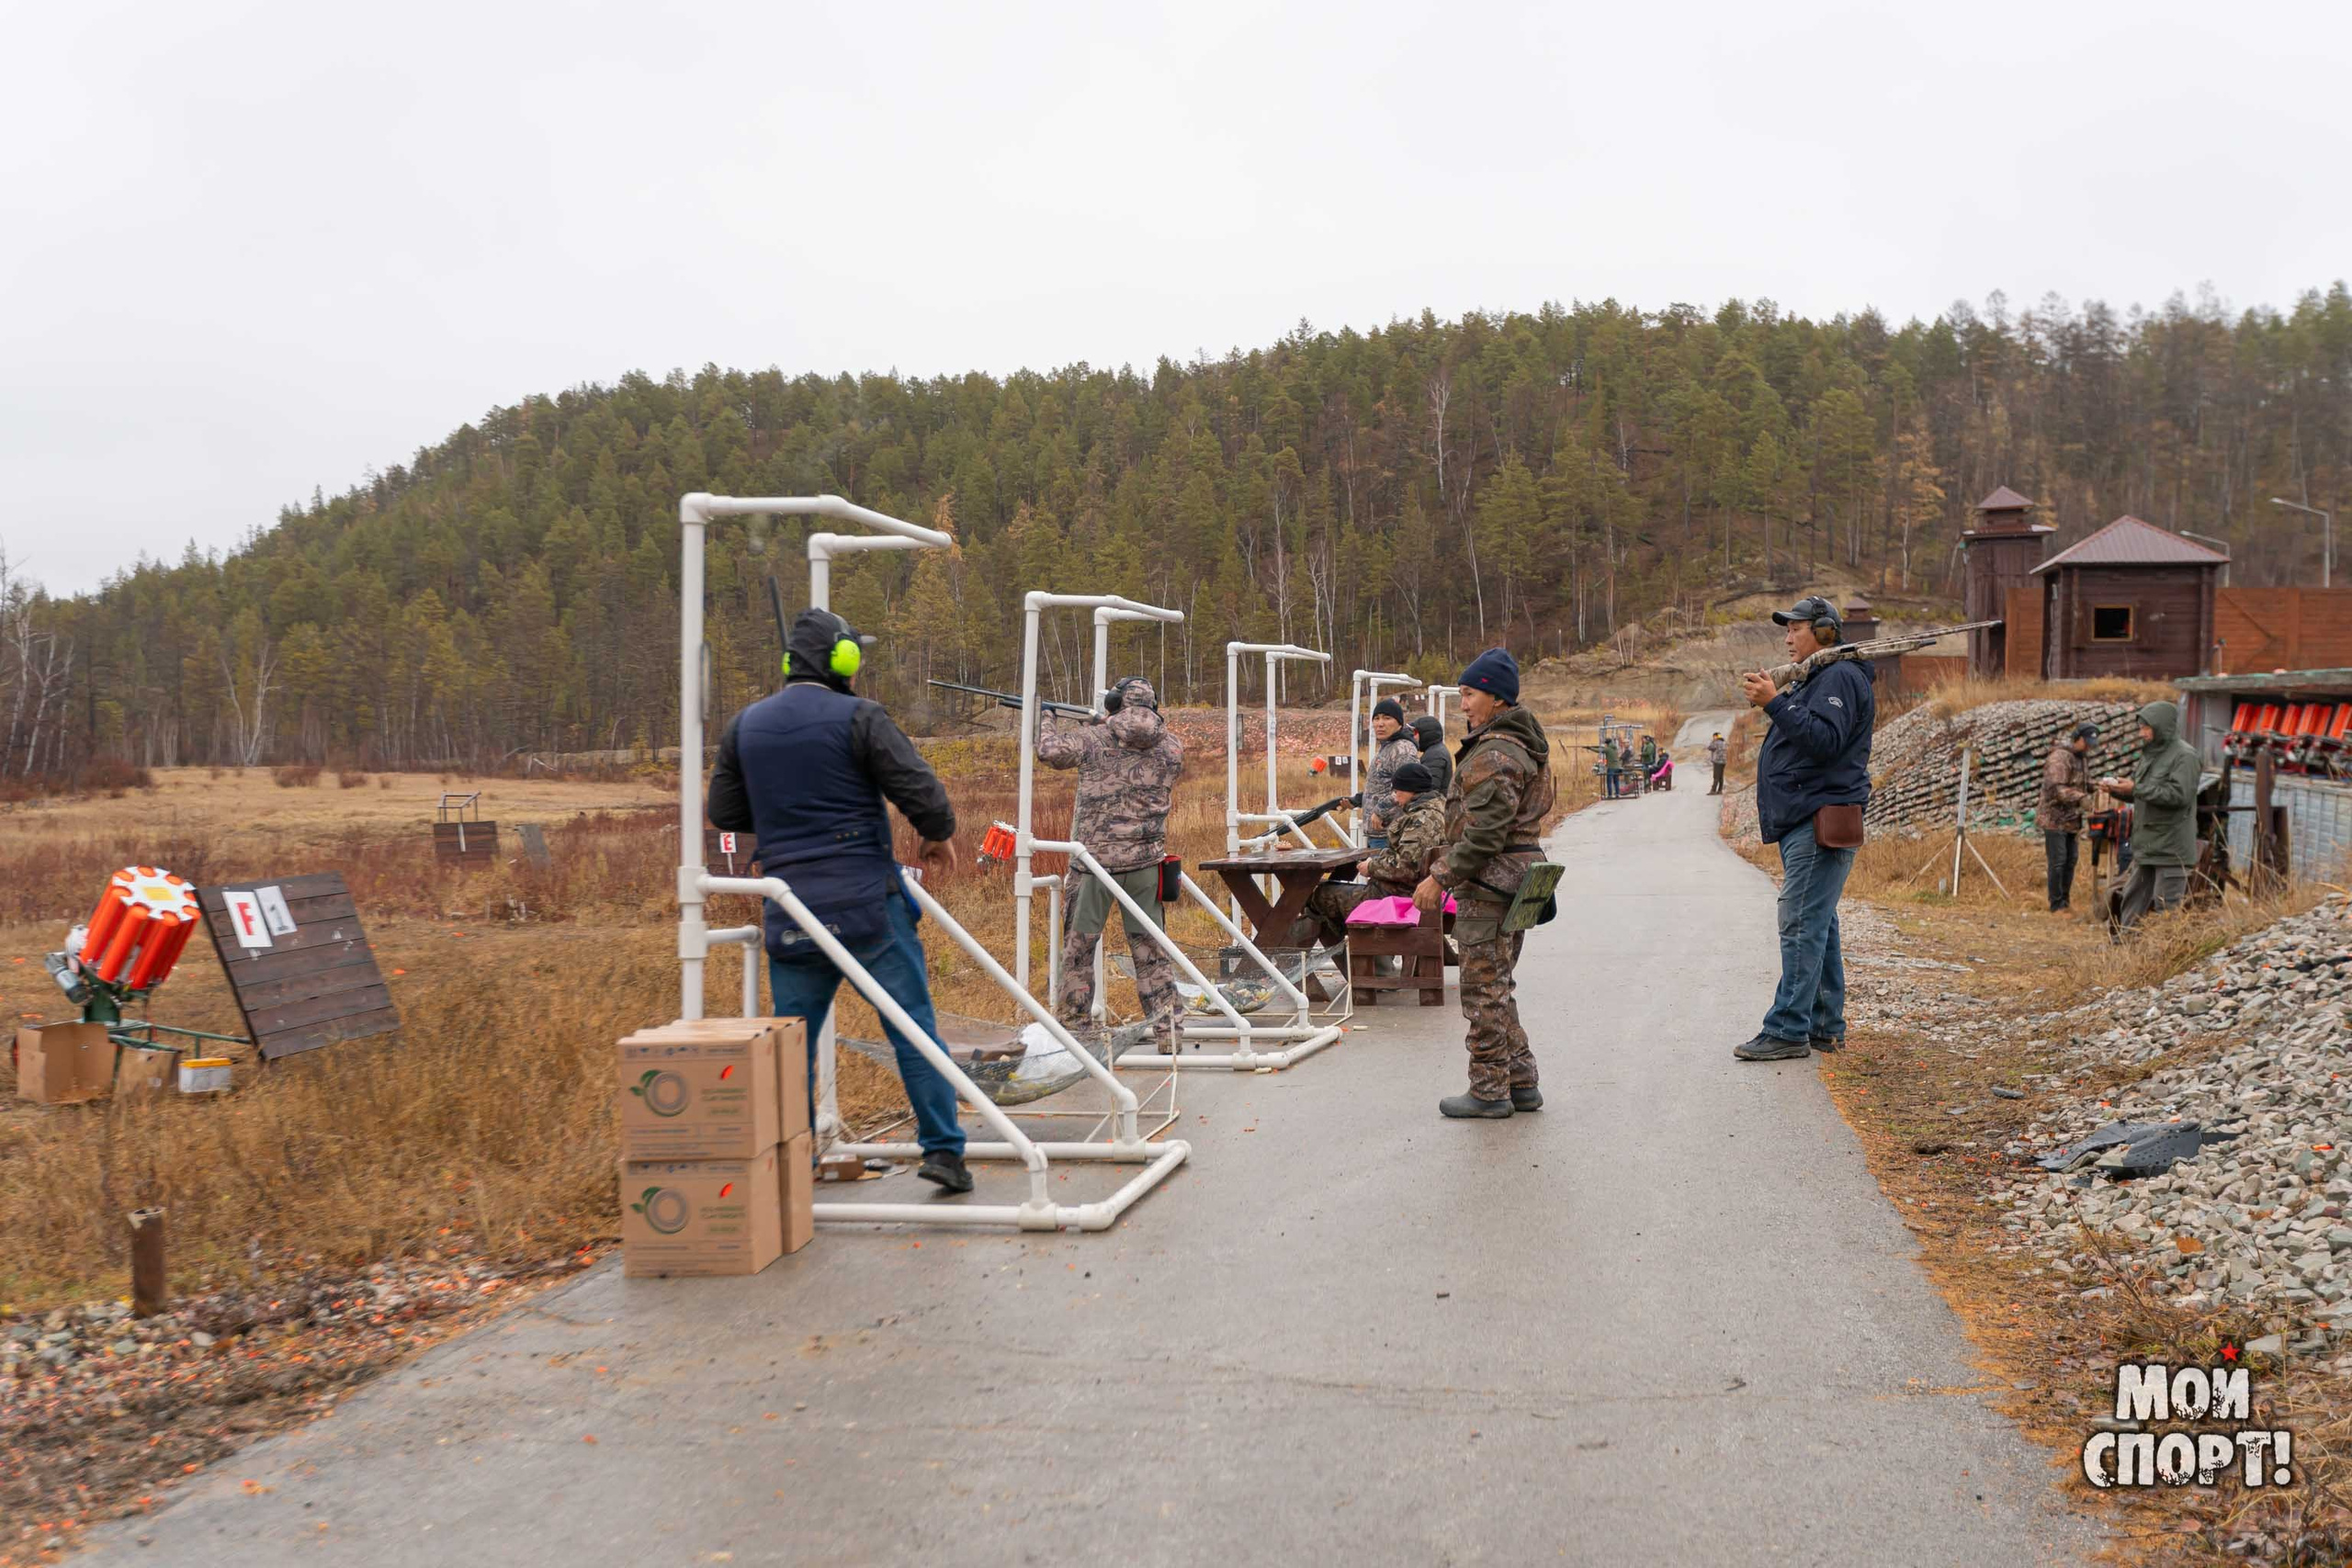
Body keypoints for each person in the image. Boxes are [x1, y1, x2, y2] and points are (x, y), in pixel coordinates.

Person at [707, 607, 970, 1193]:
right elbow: (918, 787)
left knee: (790, 1046)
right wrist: (936, 832)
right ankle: (944, 1152)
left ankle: (792, 1165)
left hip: (791, 909)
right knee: (912, 1028)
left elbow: (724, 811)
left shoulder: (744, 726)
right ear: (842, 660)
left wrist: (783, 822)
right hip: (866, 907)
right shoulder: (861, 716)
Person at [1414, 648, 1555, 1119]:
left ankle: (1490, 1091)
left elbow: (1486, 835)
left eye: (1470, 694)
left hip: (1491, 886)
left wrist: (1439, 877)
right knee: (1498, 986)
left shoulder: (1495, 753)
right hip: (1517, 882)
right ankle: (1521, 1082)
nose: (1463, 705)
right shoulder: (1518, 744)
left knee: (1482, 992)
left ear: (1497, 698)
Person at [1732, 595, 1873, 1062]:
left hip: (1820, 818)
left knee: (1800, 922)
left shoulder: (1839, 676)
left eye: (1796, 629)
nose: (1788, 638)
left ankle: (1788, 1029)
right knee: (1818, 922)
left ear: (1825, 631)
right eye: (1787, 630)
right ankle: (1824, 1025)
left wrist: (1774, 703)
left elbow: (1826, 741)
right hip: (1808, 818)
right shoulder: (1818, 676)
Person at [1037, 678, 1184, 1047]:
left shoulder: (1093, 738)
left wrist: (1047, 716)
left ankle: (1077, 1033)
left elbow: (1049, 752)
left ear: (1116, 703)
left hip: (1094, 867)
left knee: (1079, 953)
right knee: (1151, 954)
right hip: (1146, 866)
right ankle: (1169, 1032)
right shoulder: (1172, 747)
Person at [1298, 760, 1450, 941]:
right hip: (1412, 893)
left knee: (1318, 894)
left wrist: (1371, 867)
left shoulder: (1421, 820)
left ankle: (1301, 950)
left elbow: (1406, 867)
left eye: (1397, 791)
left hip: (1398, 898)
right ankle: (1354, 951)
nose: (1396, 797)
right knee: (1327, 890)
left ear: (1410, 790)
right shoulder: (1440, 811)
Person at [2097, 702, 2200, 936]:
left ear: (2161, 726)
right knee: (2131, 900)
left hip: (2171, 849)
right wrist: (2118, 790)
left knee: (2167, 910)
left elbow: (2179, 796)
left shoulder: (2185, 756)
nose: (2141, 733)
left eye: (2146, 728)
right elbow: (2145, 794)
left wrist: (2137, 788)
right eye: (2140, 728)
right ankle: (2125, 950)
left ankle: (2163, 954)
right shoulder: (2151, 755)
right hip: (2148, 846)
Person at [2040, 723, 2096, 915]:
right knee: (2058, 861)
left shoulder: (2082, 758)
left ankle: (2065, 901)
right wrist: (2082, 798)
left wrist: (2100, 786)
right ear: (2077, 739)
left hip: (2072, 819)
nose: (2089, 747)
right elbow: (2057, 789)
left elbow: (2083, 783)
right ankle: (2056, 905)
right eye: (2086, 743)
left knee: (2071, 860)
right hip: (2054, 818)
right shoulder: (2059, 758)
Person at [1363, 699, 1419, 849]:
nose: (1380, 724)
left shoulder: (1402, 749)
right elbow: (1382, 786)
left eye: (1387, 718)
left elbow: (1408, 787)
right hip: (1379, 833)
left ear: (1400, 724)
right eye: (1376, 718)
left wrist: (1380, 811)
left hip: (1391, 834)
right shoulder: (1387, 747)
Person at [1409, 713, 1453, 796]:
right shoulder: (1435, 751)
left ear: (1425, 734)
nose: (1414, 737)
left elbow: (1428, 790)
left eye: (1415, 733)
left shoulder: (1435, 755)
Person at [1600, 735, 1623, 800]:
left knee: (1609, 781)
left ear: (1607, 743)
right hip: (1617, 767)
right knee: (1616, 781)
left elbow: (1600, 751)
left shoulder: (1608, 749)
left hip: (1611, 767)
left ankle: (1610, 795)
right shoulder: (1615, 748)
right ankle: (1617, 794)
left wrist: (1590, 749)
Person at [1707, 731, 1728, 795]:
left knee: (1716, 776)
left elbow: (1709, 747)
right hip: (1723, 762)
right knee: (1721, 776)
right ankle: (1720, 790)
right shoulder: (1724, 743)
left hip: (1717, 761)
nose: (1713, 738)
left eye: (1714, 736)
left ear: (1716, 736)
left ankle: (1713, 790)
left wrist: (1713, 741)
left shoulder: (1715, 743)